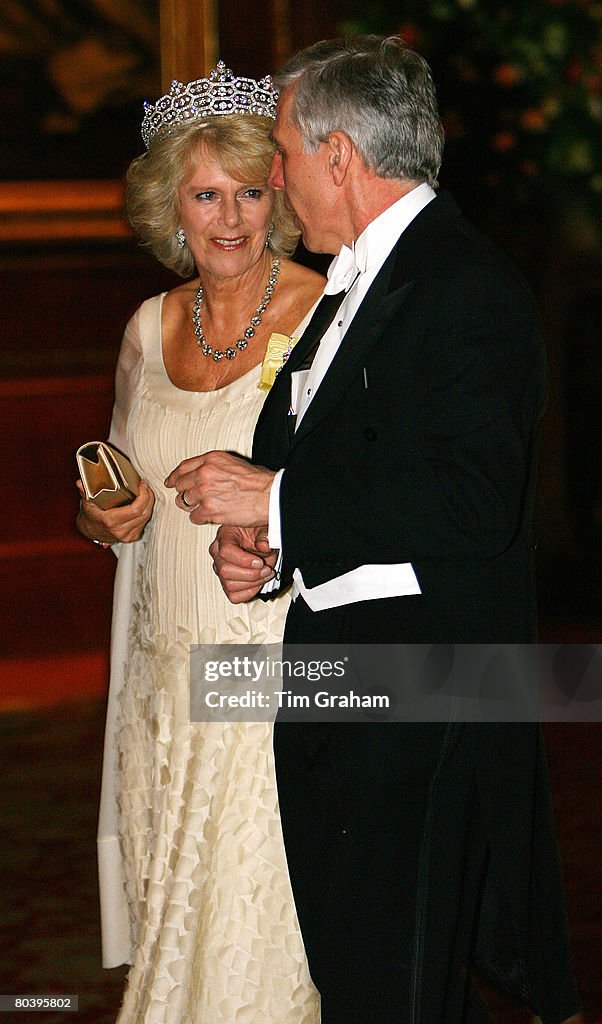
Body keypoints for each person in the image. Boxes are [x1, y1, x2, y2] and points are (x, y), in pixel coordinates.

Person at [165, 37, 582, 1024]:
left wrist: (272, 505)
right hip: (330, 672)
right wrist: (268, 555)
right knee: (369, 973)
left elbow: (473, 504)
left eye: (281, 153)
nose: (275, 177)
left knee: (393, 984)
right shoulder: (347, 286)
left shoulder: (465, 287)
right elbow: (350, 467)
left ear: (338, 155)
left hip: (421, 687)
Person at [76, 62, 324, 1024]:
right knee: (172, 925)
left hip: (259, 672)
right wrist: (102, 514)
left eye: (251, 192)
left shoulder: (321, 317)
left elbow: (362, 492)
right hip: (152, 681)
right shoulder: (149, 325)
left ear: (281, 198)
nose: (230, 220)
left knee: (245, 944)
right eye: (207, 195)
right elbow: (107, 505)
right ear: (169, 206)